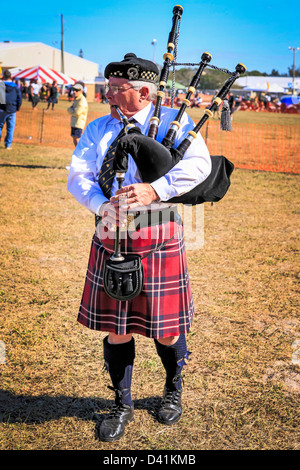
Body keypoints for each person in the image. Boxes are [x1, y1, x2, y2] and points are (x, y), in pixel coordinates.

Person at [67, 53, 211, 442]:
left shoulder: (171, 123)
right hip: (111, 234)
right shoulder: (99, 129)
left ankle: (172, 389)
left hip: (158, 232)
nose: (109, 94)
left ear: (144, 91)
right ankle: (121, 403)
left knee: (166, 329)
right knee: (117, 328)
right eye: (108, 87)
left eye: (117, 88)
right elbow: (77, 175)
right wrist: (101, 205)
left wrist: (154, 189)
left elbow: (199, 165)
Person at [0, 70, 22, 150]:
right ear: (11, 77)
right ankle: (8, 145)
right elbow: (19, 98)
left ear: (3, 77)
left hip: (1, 109)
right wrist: (17, 108)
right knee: (10, 128)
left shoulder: (1, 85)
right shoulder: (15, 86)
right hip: (12, 109)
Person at [67, 82, 88, 147]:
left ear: (81, 91)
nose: (74, 92)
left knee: (77, 140)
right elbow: (69, 110)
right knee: (74, 139)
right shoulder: (77, 99)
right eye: (73, 90)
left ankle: (80, 154)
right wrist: (73, 110)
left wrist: (72, 109)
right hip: (74, 122)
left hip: (78, 123)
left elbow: (77, 112)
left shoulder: (82, 100)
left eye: (76, 90)